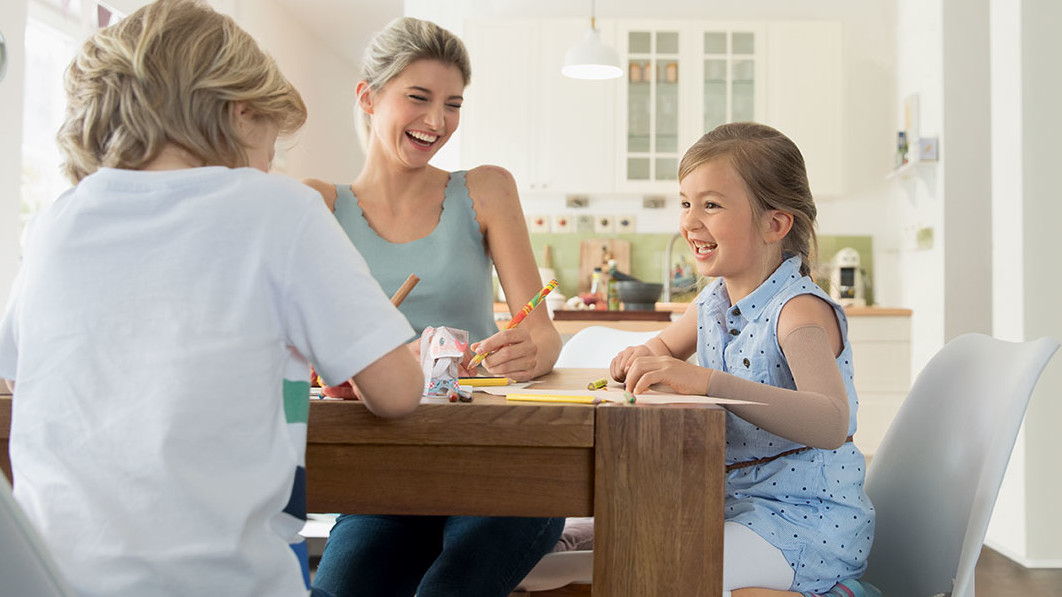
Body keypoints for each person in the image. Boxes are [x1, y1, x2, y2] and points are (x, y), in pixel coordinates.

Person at [0, 2, 423, 596]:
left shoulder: (56, 222)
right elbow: (398, 392)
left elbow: (24, 380)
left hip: (55, 581)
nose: (269, 164)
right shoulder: (278, 208)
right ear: (240, 112)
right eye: (271, 145)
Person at [304, 16, 564, 597]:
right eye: (418, 98)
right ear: (368, 98)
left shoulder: (486, 188)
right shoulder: (317, 205)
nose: (437, 122)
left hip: (498, 461)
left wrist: (530, 351)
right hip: (385, 474)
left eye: (452, 104)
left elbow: (543, 335)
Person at [610, 123, 879, 597]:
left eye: (711, 205)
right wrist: (643, 356)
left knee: (658, 568)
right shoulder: (714, 300)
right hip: (734, 506)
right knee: (623, 551)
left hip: (804, 522)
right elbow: (665, 347)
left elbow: (832, 421)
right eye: (686, 202)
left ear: (774, 224)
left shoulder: (798, 312)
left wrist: (707, 382)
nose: (690, 221)